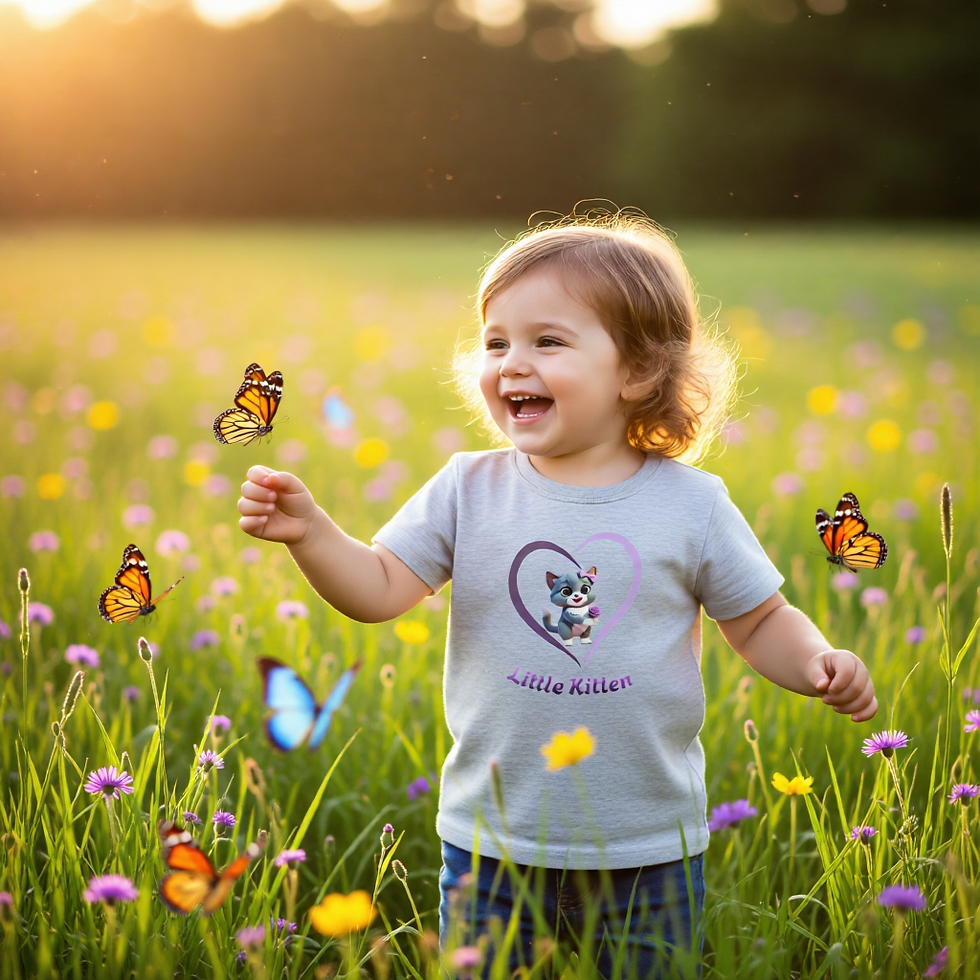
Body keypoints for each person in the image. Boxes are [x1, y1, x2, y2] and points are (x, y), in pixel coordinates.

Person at [236, 212, 877, 978]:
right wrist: (311, 534)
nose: (511, 363)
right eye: (495, 342)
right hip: (491, 844)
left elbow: (761, 618)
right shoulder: (466, 490)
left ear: (636, 370)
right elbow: (377, 587)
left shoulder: (692, 505)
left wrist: (816, 662)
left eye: (547, 341)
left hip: (648, 847)